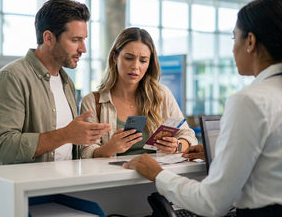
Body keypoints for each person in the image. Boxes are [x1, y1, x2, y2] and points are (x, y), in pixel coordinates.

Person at [124, 0, 282, 217]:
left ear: (250, 41)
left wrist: (157, 174)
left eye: (235, 38)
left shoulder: (250, 100)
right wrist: (220, 155)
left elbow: (212, 203)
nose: (233, 49)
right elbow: (281, 162)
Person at [0, 0, 111, 166]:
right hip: (28, 190)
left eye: (84, 40)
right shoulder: (12, 77)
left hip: (64, 185)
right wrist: (66, 135)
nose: (83, 49)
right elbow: (4, 148)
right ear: (49, 38)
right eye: (75, 40)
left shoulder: (67, 82)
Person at [79, 27, 197, 158]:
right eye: (129, 58)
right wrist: (109, 148)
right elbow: (85, 152)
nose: (136, 66)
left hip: (155, 174)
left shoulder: (161, 94)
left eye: (143, 61)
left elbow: (188, 135)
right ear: (115, 57)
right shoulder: (93, 101)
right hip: (112, 177)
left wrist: (177, 145)